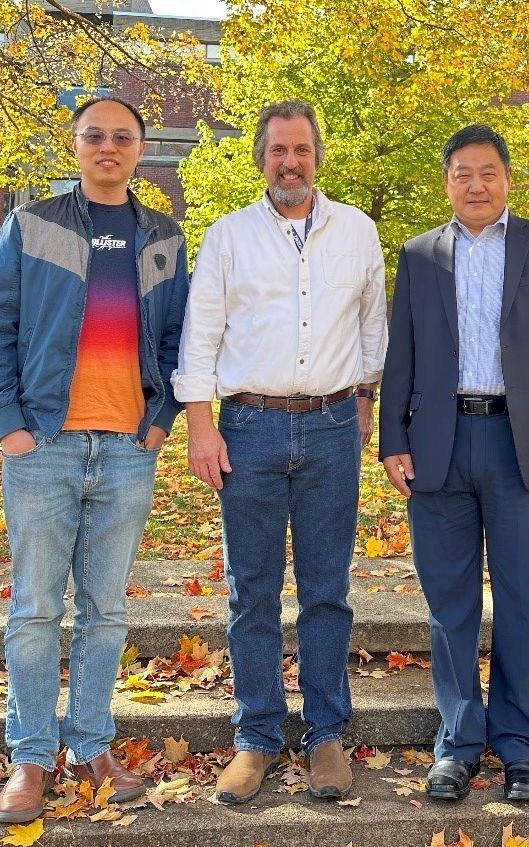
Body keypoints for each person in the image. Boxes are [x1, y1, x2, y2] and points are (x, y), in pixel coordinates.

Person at [0, 96, 190, 823]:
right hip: (44, 447)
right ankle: (31, 759)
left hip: (128, 451)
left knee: (105, 612)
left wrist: (159, 420)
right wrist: (9, 424)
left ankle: (92, 746)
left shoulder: (164, 236)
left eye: (121, 137)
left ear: (139, 150)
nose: (108, 147)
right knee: (35, 609)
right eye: (94, 135)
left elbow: (175, 340)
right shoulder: (31, 224)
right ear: (76, 146)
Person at [172, 99, 387, 804]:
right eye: (277, 152)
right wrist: (201, 426)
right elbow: (200, 336)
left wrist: (362, 403)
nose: (289, 163)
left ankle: (325, 734)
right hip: (249, 429)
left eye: (300, 150)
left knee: (328, 592)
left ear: (316, 155)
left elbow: (371, 327)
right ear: (261, 159)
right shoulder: (228, 236)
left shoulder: (357, 231)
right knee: (251, 592)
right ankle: (258, 736)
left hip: (330, 430)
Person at [379, 125, 529, 802]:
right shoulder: (417, 255)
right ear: (447, 181)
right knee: (449, 607)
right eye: (463, 173)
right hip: (438, 445)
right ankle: (459, 745)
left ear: (507, 178)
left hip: (520, 446)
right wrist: (391, 439)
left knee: (523, 601)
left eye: (488, 172)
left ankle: (522, 748)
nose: (476, 184)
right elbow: (400, 353)